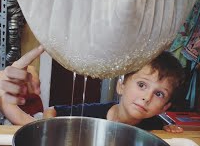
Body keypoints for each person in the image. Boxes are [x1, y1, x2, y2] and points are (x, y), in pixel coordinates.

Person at [43, 51, 185, 133]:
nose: (147, 97)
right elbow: (52, 110)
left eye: (159, 94)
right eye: (142, 85)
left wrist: (169, 130)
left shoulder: (155, 126)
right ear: (121, 86)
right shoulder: (92, 114)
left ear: (164, 108)